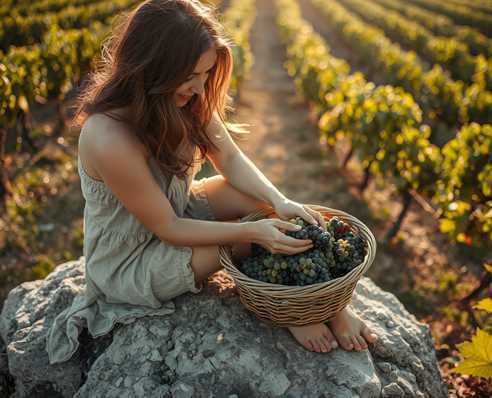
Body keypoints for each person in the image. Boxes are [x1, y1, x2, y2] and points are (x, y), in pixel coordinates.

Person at [46, 0, 377, 365]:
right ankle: (297, 311)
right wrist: (249, 234)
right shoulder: (108, 137)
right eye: (192, 76)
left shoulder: (186, 100)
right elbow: (168, 228)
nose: (201, 88)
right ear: (155, 68)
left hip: (177, 207)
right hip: (133, 259)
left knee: (265, 208)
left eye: (206, 74)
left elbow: (231, 159)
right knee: (244, 237)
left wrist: (279, 199)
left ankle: (328, 302)